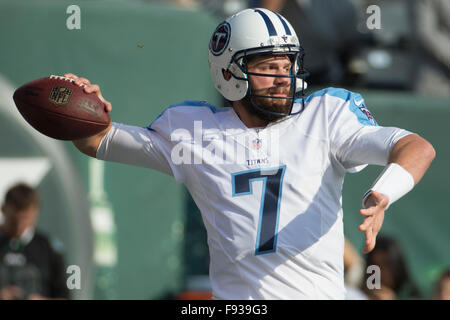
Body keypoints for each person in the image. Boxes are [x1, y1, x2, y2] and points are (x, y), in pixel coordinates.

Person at [64, 8, 435, 299]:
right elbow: (98, 141)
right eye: (267, 67)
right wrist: (79, 109)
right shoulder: (195, 131)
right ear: (229, 72)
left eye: (287, 65)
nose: (282, 78)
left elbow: (416, 147)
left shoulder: (326, 116)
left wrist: (385, 190)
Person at [0, 183, 69, 300]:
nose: (19, 226)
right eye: (14, 220)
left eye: (25, 219)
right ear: (3, 209)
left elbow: (65, 296)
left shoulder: (49, 249)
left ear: (35, 214)